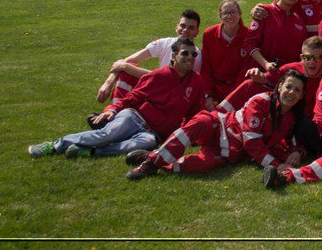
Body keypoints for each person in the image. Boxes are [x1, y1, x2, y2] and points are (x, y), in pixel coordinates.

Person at [29, 38, 205, 159]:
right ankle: (54, 145)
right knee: (106, 135)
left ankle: (89, 153)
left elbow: (195, 111)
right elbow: (133, 97)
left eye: (193, 55)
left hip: (153, 134)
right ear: (174, 56)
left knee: (138, 146)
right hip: (135, 118)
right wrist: (112, 110)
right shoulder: (158, 76)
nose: (190, 58)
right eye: (185, 54)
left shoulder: (196, 81)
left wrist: (192, 135)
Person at [125, 70, 307, 179]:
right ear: (280, 86)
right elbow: (251, 142)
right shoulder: (261, 101)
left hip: (228, 152)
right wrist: (276, 164)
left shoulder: (290, 118)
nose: (291, 93)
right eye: (288, 87)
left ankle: (157, 158)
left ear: (301, 96)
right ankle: (150, 164)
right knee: (200, 123)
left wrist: (297, 152)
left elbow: (285, 143)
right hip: (218, 126)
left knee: (197, 166)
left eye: (297, 90)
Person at [95, 10, 202, 106]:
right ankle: (112, 112)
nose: (185, 30)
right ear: (176, 27)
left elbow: (169, 82)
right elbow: (123, 62)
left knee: (129, 68)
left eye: (191, 28)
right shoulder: (165, 43)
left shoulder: (194, 56)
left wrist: (126, 66)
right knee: (128, 70)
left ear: (197, 32)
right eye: (182, 26)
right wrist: (108, 83)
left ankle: (113, 115)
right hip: (156, 87)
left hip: (170, 97)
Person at [245, 0, 309, 70]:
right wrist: (265, 64)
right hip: (261, 75)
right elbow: (249, 43)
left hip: (286, 78)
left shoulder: (299, 22)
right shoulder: (264, 12)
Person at [199, 0, 252, 111]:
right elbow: (206, 67)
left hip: (236, 90)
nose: (230, 16)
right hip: (213, 89)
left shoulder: (248, 35)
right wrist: (207, 95)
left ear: (240, 14)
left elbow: (245, 69)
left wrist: (232, 98)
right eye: (226, 13)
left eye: (233, 12)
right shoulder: (209, 34)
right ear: (221, 16)